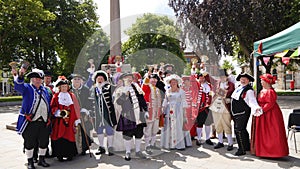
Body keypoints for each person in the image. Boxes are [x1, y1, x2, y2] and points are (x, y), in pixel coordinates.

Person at [12, 68, 51, 169]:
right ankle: (30, 162)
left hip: (44, 121)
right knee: (30, 142)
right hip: (31, 121)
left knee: (44, 141)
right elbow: (18, 86)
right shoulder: (27, 88)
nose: (37, 80)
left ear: (42, 80)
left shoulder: (45, 90)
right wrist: (20, 75)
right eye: (34, 78)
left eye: (39, 78)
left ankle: (41, 159)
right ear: (31, 79)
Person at [251, 73, 289, 158]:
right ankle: (263, 151)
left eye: (262, 80)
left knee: (271, 132)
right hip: (262, 113)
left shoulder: (270, 91)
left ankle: (273, 152)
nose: (261, 82)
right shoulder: (262, 90)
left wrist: (262, 110)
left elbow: (270, 103)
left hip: (270, 114)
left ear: (267, 82)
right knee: (263, 133)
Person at [114, 73, 149, 161]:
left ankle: (138, 151)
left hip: (139, 114)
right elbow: (118, 102)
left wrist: (145, 110)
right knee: (127, 135)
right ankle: (128, 152)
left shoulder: (136, 87)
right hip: (128, 115)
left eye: (130, 77)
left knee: (139, 133)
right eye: (126, 78)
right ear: (123, 79)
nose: (129, 79)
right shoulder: (120, 90)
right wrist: (124, 94)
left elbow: (142, 99)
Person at [50, 76, 81, 161]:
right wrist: (57, 112)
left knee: (69, 136)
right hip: (59, 121)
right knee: (59, 136)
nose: (64, 88)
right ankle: (59, 155)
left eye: (65, 87)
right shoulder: (56, 96)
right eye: (62, 87)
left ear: (68, 87)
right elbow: (53, 107)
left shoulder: (71, 96)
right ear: (59, 87)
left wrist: (76, 119)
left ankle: (69, 154)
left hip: (70, 120)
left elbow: (76, 107)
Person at [231, 72, 261, 156]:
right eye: (241, 79)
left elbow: (252, 101)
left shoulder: (249, 90)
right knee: (242, 129)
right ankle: (246, 146)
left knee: (239, 130)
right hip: (236, 113)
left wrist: (256, 108)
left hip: (242, 113)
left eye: (245, 79)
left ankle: (242, 149)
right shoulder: (238, 87)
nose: (243, 80)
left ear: (248, 81)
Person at [91, 70, 117, 156]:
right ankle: (101, 147)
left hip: (108, 114)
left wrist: (111, 76)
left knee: (109, 131)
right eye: (98, 78)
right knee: (99, 131)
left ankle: (110, 147)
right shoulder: (94, 89)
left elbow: (115, 88)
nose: (100, 80)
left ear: (105, 79)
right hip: (98, 115)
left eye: (101, 78)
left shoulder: (109, 87)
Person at [161, 74, 189, 150]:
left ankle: (179, 144)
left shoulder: (181, 92)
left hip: (178, 110)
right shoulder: (167, 91)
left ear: (177, 83)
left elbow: (183, 103)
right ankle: (170, 144)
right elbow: (165, 100)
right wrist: (162, 110)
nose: (173, 84)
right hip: (169, 110)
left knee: (178, 126)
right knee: (169, 126)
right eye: (171, 82)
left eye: (174, 82)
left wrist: (184, 114)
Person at [210, 69, 235, 151]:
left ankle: (230, 142)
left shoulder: (230, 84)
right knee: (218, 124)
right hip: (216, 106)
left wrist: (219, 93)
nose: (222, 78)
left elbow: (228, 92)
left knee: (226, 124)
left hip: (225, 107)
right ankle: (220, 142)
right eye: (221, 77)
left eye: (224, 76)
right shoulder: (217, 83)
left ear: (227, 77)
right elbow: (215, 92)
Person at [70, 74, 93, 155]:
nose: (76, 81)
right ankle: (74, 148)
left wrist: (85, 109)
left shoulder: (86, 90)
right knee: (73, 131)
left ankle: (83, 148)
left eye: (78, 79)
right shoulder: (69, 89)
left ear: (81, 81)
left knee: (84, 130)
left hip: (83, 114)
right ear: (72, 81)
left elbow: (89, 100)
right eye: (75, 79)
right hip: (72, 114)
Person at [141, 73, 163, 154]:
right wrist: (147, 77)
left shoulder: (157, 89)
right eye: (152, 79)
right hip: (149, 112)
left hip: (156, 113)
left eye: (155, 79)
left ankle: (153, 144)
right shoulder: (147, 87)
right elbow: (144, 85)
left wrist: (160, 111)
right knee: (148, 130)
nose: (154, 80)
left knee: (155, 129)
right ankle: (147, 146)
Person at [195, 72, 213, 146]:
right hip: (200, 107)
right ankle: (199, 138)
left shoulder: (209, 85)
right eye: (200, 77)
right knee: (199, 123)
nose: (202, 79)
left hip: (208, 107)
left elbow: (211, 94)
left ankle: (208, 138)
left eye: (203, 77)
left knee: (208, 123)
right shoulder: (196, 85)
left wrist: (210, 103)